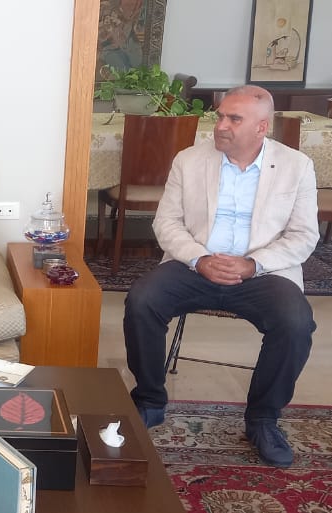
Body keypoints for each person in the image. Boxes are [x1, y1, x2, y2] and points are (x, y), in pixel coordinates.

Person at [122, 85, 319, 468]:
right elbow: (166, 223)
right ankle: (149, 400)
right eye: (220, 116)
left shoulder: (296, 166)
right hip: (194, 264)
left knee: (296, 323)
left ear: (261, 127)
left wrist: (253, 264)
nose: (221, 126)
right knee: (142, 301)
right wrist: (199, 259)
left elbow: (303, 236)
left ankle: (262, 419)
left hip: (263, 272)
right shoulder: (189, 160)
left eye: (234, 119)